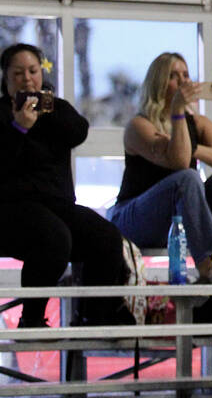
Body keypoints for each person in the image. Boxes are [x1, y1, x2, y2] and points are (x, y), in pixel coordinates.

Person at [111, 52, 212, 284]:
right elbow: (178, 162)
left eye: (185, 75)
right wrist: (176, 112)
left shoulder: (197, 123)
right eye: (173, 76)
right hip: (133, 217)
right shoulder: (139, 126)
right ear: (159, 83)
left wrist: (193, 146)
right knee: (186, 177)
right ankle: (207, 266)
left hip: (177, 219)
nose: (182, 81)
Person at [0, 42, 128, 327]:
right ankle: (31, 319)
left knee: (106, 237)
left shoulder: (54, 108)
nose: (27, 79)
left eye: (33, 71)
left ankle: (94, 317)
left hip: (56, 204)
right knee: (54, 238)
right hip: (11, 207)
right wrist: (19, 127)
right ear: (6, 79)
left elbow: (78, 131)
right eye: (18, 73)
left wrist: (46, 109)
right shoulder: (2, 114)